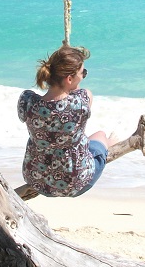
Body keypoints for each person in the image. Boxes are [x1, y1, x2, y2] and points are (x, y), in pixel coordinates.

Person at [17, 45, 116, 197]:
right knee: (101, 135)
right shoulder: (81, 102)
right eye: (83, 73)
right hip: (74, 184)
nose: (83, 76)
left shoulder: (27, 101)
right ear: (69, 79)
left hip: (37, 179)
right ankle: (108, 145)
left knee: (79, 140)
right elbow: (80, 93)